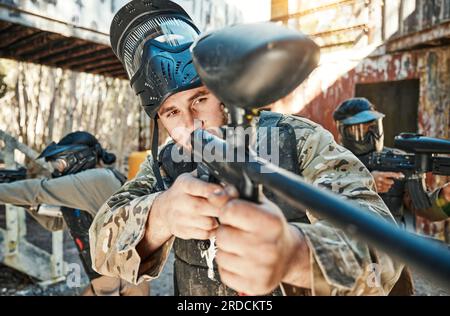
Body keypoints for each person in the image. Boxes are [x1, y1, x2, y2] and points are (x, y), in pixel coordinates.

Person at [90, 0, 410, 296]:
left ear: (221, 92)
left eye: (199, 99)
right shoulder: (167, 162)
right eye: (172, 112)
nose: (191, 125)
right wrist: (159, 215)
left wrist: (295, 255)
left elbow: (384, 249)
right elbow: (99, 247)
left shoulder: (299, 139)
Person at [0, 131, 149, 296]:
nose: (57, 169)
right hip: (108, 280)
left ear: (78, 157)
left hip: (124, 280)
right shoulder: (85, 189)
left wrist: (15, 190)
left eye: (60, 164)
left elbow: (38, 190)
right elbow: (56, 223)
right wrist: (22, 201)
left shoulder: (97, 179)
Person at [333, 98, 450, 225]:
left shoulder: (397, 160)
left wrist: (444, 197)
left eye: (373, 127)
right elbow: (320, 200)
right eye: (361, 130)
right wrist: (366, 183)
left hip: (389, 240)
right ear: (343, 132)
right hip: (346, 239)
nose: (371, 135)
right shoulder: (331, 160)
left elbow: (423, 207)